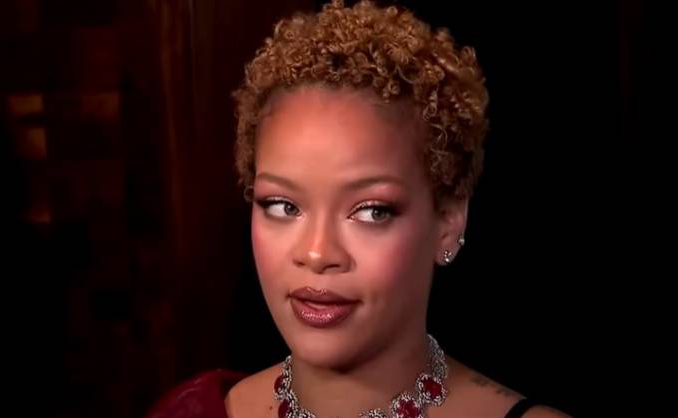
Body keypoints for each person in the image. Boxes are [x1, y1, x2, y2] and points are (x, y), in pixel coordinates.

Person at [146, 1, 572, 417]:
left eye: (371, 212)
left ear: (448, 221)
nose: (317, 253)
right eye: (283, 205)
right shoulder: (191, 411)